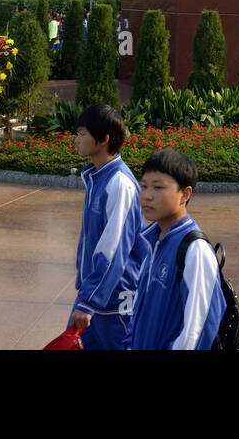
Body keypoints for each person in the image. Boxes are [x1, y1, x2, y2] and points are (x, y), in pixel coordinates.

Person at [125, 149, 225, 349]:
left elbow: (197, 331)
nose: (147, 196)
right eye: (143, 186)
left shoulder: (195, 250)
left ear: (185, 194)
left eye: (158, 187)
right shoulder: (153, 240)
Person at [69, 105, 148, 350]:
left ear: (103, 139)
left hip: (113, 302)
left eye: (82, 134)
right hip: (94, 296)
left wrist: (89, 301)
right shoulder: (97, 177)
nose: (77, 140)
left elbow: (112, 251)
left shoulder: (119, 184)